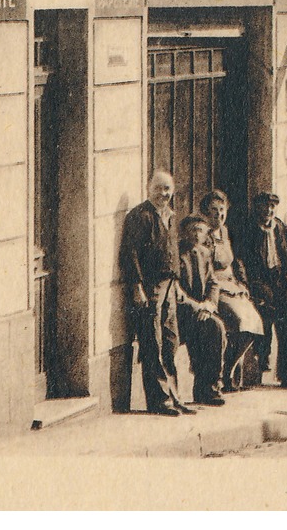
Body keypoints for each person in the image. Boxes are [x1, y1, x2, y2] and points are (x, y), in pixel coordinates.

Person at [118, 170, 192, 416]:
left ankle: (175, 396)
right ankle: (159, 400)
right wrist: (136, 286)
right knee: (152, 342)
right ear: (149, 187)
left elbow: (173, 252)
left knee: (170, 341)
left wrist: (178, 283)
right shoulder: (139, 216)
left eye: (168, 189)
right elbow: (130, 254)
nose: (164, 194)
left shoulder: (170, 216)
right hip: (149, 287)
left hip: (170, 286)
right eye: (159, 188)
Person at [200, 190, 263, 393]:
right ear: (206, 212)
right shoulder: (203, 234)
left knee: (254, 323)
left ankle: (229, 370)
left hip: (232, 285)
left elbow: (233, 262)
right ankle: (224, 374)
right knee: (237, 320)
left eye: (222, 210)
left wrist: (241, 283)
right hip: (216, 288)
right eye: (214, 211)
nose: (218, 215)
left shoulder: (225, 232)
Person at [242, 192, 287, 391]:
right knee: (262, 325)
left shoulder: (280, 227)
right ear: (256, 207)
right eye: (264, 206)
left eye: (272, 206)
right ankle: (256, 372)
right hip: (259, 281)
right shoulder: (249, 229)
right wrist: (250, 283)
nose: (268, 210)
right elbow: (242, 259)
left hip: (282, 280)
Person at [176, 214, 228, 407]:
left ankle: (210, 388)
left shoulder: (205, 253)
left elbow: (213, 283)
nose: (197, 234)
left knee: (216, 328)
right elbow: (175, 288)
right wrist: (196, 306)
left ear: (207, 234)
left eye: (201, 230)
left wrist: (209, 305)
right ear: (184, 232)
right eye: (193, 230)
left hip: (201, 311)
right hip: (181, 312)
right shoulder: (176, 253)